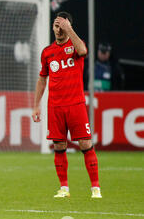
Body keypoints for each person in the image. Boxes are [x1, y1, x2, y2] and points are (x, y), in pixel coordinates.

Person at [32, 11, 101, 199]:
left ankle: (95, 188)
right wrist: (36, 105)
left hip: (75, 104)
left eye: (62, 25)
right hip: (55, 106)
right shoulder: (47, 52)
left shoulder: (76, 46)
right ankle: (64, 188)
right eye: (56, 25)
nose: (59, 29)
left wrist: (69, 29)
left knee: (85, 143)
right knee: (59, 146)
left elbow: (84, 51)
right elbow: (42, 79)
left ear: (69, 27)